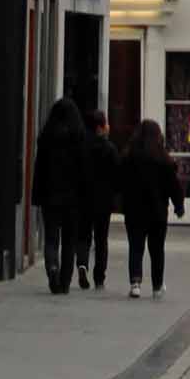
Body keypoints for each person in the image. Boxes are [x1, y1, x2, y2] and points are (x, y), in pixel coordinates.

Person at [119, 118, 185, 298]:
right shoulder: (164, 160)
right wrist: (179, 205)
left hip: (134, 211)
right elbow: (174, 186)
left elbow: (120, 182)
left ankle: (135, 283)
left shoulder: (128, 157)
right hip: (157, 212)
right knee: (157, 249)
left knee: (136, 246)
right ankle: (157, 286)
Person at [32, 96, 88, 296]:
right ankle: (65, 280)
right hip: (73, 199)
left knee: (51, 237)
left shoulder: (47, 138)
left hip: (51, 196)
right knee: (70, 240)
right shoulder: (79, 139)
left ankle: (52, 269)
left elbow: (39, 170)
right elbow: (84, 171)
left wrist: (36, 195)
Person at [76, 107, 120, 293]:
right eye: (107, 123)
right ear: (100, 128)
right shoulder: (110, 149)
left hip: (85, 197)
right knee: (101, 239)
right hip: (104, 200)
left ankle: (82, 264)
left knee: (84, 235)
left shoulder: (82, 147)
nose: (109, 127)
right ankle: (99, 277)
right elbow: (117, 174)